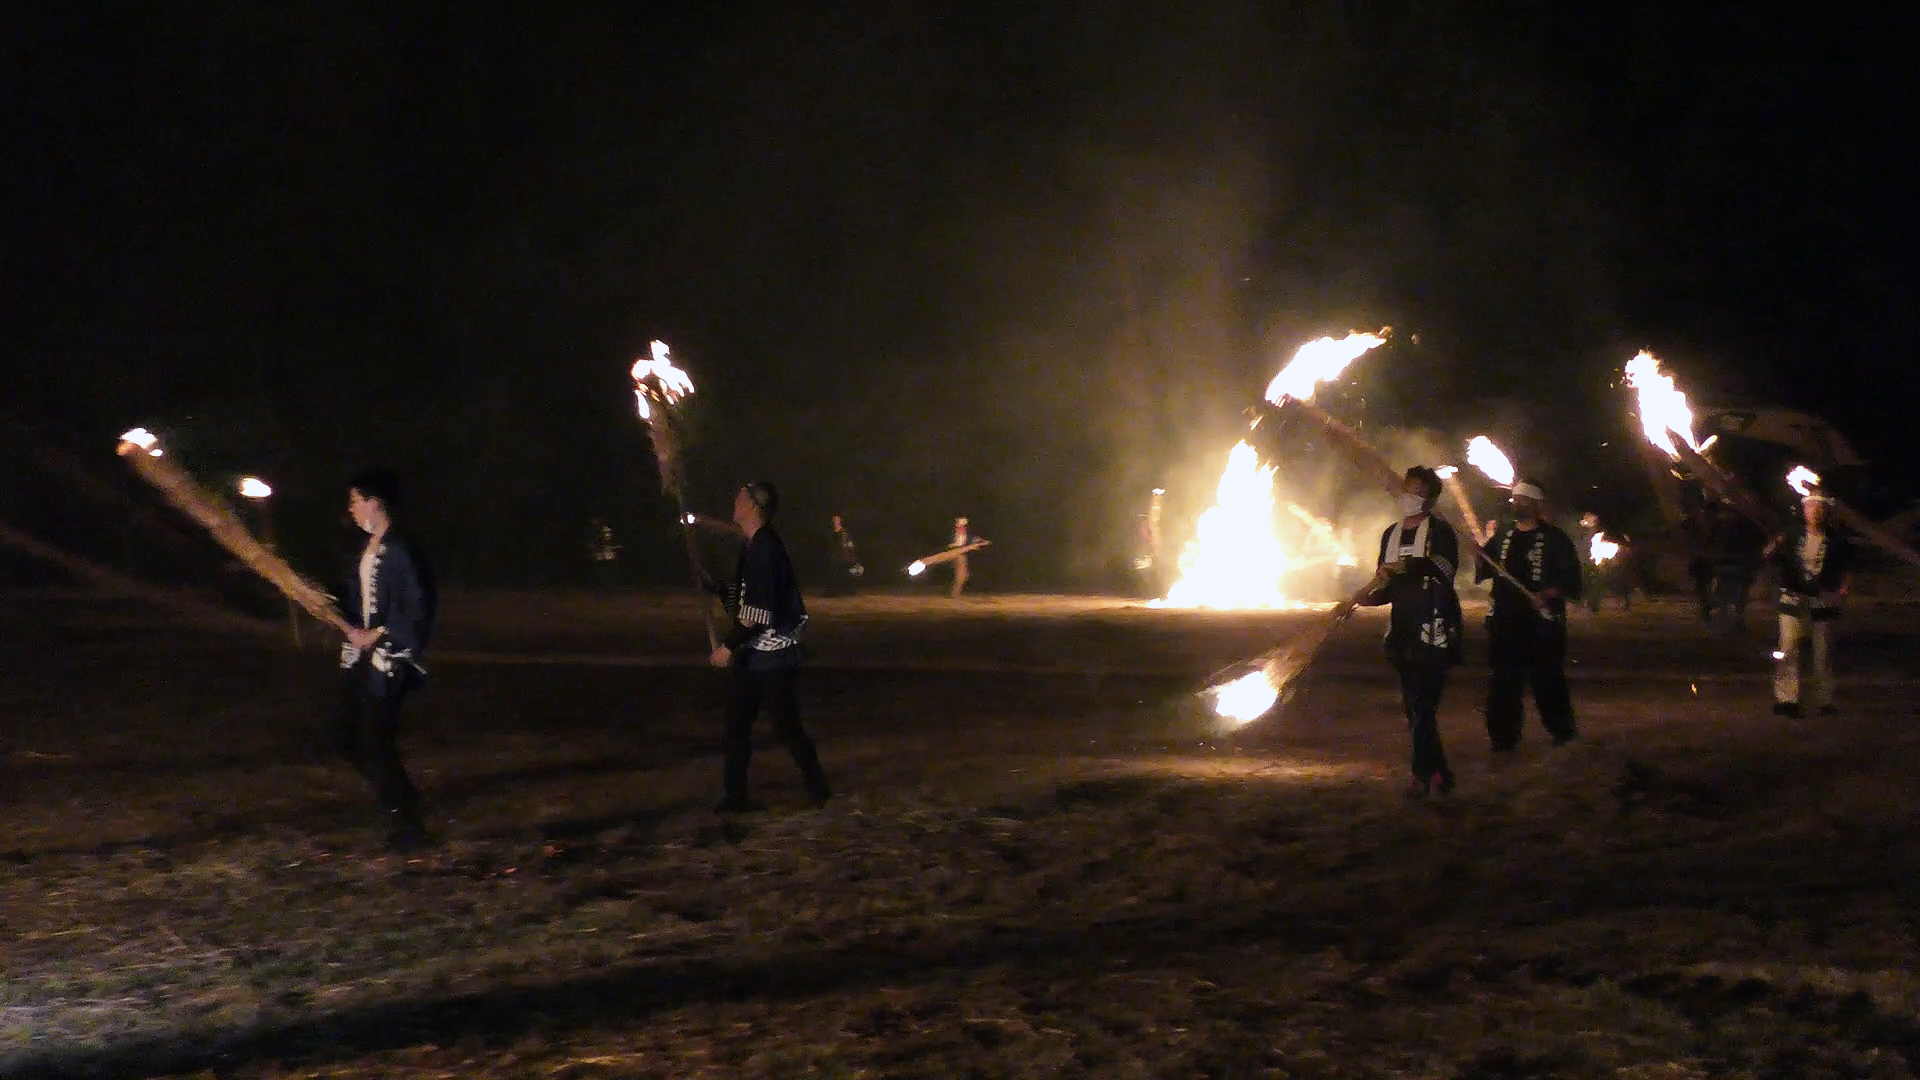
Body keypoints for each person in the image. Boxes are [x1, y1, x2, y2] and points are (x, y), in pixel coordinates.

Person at [707, 482, 831, 812]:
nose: (733, 502)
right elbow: (748, 594)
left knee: (785, 725)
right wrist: (720, 589)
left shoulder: (766, 548)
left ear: (752, 506)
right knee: (737, 724)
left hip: (774, 653)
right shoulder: (753, 545)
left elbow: (759, 611)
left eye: (739, 496)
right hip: (755, 651)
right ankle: (735, 798)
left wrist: (728, 646)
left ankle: (818, 789)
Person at [334, 468, 436, 852]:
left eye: (356, 500)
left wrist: (375, 634)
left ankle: (407, 823)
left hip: (388, 661)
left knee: (375, 741)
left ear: (375, 502)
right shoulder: (364, 550)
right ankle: (399, 801)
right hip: (360, 658)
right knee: (345, 735)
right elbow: (354, 598)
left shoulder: (402, 550)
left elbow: (416, 605)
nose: (352, 509)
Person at [1357, 466, 1464, 797]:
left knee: (1422, 705)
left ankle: (1421, 776)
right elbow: (1388, 585)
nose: (1407, 496)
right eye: (1406, 490)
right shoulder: (1390, 534)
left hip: (1434, 629)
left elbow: (1444, 569)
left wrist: (1410, 565)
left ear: (1428, 498)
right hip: (1402, 632)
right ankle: (1440, 774)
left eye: (1415, 491)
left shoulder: (1440, 533)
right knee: (1415, 709)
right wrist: (1367, 599)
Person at [1478, 481, 1584, 752]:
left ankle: (1563, 730)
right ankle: (1503, 738)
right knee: (1504, 679)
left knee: (1547, 677)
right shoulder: (1503, 535)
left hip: (1541, 622)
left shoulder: (1555, 539)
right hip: (1506, 619)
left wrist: (1548, 593)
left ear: (1538, 504)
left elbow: (1571, 576)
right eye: (1516, 499)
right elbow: (1486, 563)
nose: (1518, 503)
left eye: (1525, 499)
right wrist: (1477, 553)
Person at [1764, 492, 1854, 718]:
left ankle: (1824, 700)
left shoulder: (1836, 540)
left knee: (1823, 653)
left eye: (1819, 508)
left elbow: (1848, 568)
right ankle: (1787, 699)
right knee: (1787, 651)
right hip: (1792, 600)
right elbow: (1768, 556)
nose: (1814, 512)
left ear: (1825, 512)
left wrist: (1842, 591)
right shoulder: (1791, 535)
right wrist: (1775, 545)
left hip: (1821, 602)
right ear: (1804, 511)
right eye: (1810, 508)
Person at [1703, 502, 1766, 633]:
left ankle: (1732, 619)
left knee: (1733, 594)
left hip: (1734, 564)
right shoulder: (1740, 524)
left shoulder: (1735, 525)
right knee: (1733, 594)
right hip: (1733, 564)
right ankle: (1732, 620)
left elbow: (1711, 542)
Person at [825, 514, 863, 596]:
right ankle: (832, 592)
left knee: (848, 573)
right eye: (833, 520)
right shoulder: (830, 532)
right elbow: (829, 544)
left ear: (840, 521)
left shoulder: (845, 532)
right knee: (833, 574)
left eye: (836, 520)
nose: (835, 522)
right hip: (834, 555)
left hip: (844, 555)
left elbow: (850, 543)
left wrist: (852, 554)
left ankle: (850, 591)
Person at [949, 516, 982, 599]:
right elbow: (953, 545)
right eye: (960, 526)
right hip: (956, 555)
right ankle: (954, 594)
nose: (962, 528)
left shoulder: (965, 535)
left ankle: (954, 593)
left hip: (962, 555)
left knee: (965, 575)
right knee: (961, 575)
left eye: (963, 526)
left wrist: (977, 541)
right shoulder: (955, 535)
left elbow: (971, 539)